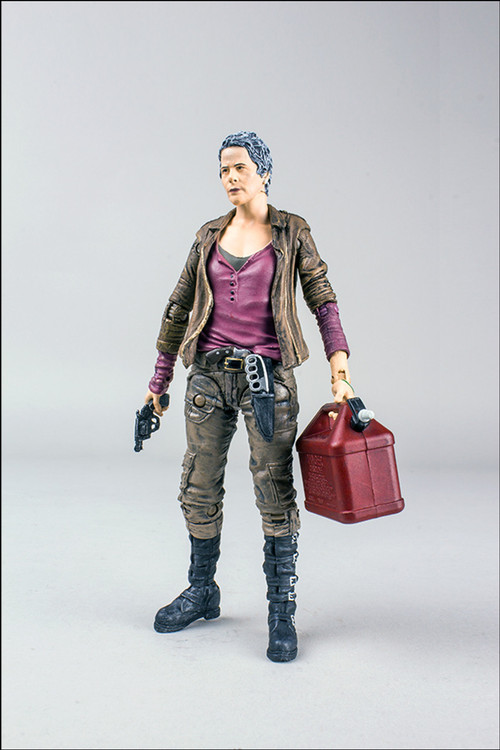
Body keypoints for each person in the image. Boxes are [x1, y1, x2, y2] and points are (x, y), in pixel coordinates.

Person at [145, 131, 353, 662]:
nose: (230, 177)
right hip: (208, 378)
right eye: (223, 169)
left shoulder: (292, 231)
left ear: (264, 172)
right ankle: (202, 589)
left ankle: (281, 612)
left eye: (239, 167)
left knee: (274, 488)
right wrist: (158, 383)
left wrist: (340, 367)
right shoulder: (208, 234)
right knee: (198, 483)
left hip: (268, 380)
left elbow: (322, 298)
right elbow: (178, 305)